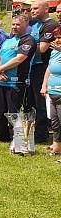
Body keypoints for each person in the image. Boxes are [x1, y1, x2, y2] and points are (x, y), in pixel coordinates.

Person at [0, 14, 36, 142]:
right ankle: (1, 136)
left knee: (14, 113)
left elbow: (19, 59)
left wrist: (1, 69)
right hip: (1, 82)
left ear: (26, 25)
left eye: (17, 24)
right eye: (13, 24)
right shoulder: (8, 40)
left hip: (16, 83)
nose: (14, 27)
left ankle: (17, 139)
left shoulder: (28, 40)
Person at [27, 0, 59, 143]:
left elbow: (42, 48)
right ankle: (33, 130)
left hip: (43, 67)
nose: (32, 11)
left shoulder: (50, 24)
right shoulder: (34, 24)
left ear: (46, 9)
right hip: (32, 66)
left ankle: (42, 133)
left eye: (35, 8)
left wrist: (24, 47)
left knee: (41, 103)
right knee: (31, 102)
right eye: (31, 9)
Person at [40, 27, 61, 156]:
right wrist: (44, 85)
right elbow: (49, 69)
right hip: (52, 92)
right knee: (55, 120)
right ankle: (56, 144)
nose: (57, 40)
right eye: (56, 37)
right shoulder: (54, 52)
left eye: (60, 37)